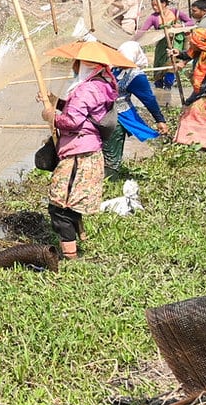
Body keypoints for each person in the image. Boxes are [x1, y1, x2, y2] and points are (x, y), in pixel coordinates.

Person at [43, 49, 118, 261]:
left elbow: (72, 121)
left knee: (60, 206)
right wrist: (55, 102)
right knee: (69, 202)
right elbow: (83, 111)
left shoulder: (87, 89)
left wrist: (51, 117)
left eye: (76, 63)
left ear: (84, 64)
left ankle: (70, 259)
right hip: (88, 151)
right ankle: (74, 243)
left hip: (79, 154)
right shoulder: (103, 83)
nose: (73, 67)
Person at [107, 40, 166, 167]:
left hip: (118, 117)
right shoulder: (113, 68)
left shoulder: (136, 76)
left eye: (126, 61)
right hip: (103, 114)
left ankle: (110, 180)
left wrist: (159, 120)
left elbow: (148, 99)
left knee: (111, 155)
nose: (122, 63)